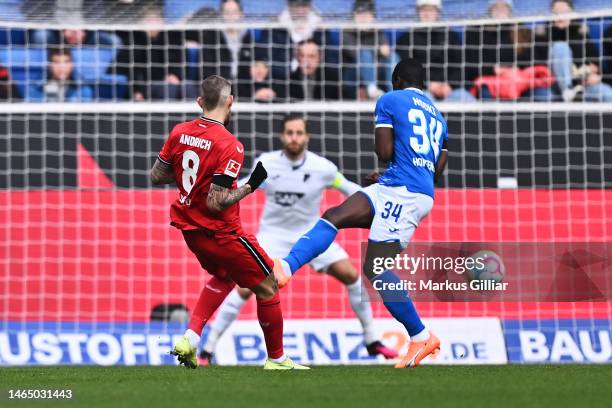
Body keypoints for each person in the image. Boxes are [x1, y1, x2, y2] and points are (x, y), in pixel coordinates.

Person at [271, 59, 447, 368]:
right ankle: (286, 266)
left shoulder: (391, 99)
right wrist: (395, 174)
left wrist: (396, 172)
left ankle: (421, 337)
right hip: (404, 187)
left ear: (397, 79)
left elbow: (384, 151)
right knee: (335, 214)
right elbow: (436, 170)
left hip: (403, 193)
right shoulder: (440, 118)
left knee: (376, 268)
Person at [199, 114, 398, 364]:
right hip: (272, 236)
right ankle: (207, 348)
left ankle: (372, 340)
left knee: (351, 275)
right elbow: (244, 187)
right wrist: (217, 197)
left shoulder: (323, 169)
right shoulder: (267, 163)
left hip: (311, 235)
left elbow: (348, 188)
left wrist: (379, 194)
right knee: (245, 288)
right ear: (282, 136)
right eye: (290, 133)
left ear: (307, 137)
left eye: (299, 133)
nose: (294, 138)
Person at [150, 75, 308, 370]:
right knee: (269, 286)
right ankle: (277, 359)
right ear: (230, 101)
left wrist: (192, 177)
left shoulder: (180, 132)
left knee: (224, 276)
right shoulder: (230, 145)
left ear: (200, 102)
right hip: (222, 232)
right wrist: (252, 185)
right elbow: (215, 201)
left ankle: (190, 339)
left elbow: (157, 175)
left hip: (190, 230)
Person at [465, 0, 552, 101]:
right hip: (491, 84)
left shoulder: (521, 30)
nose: (500, 9)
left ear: (510, 9)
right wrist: (495, 70)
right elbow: (471, 66)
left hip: (519, 83)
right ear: (490, 9)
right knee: (485, 93)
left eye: (504, 6)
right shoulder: (476, 31)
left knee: (543, 94)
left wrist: (516, 70)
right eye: (496, 6)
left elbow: (534, 61)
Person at [396, 0, 475, 102]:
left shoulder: (450, 35)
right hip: (421, 90)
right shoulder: (407, 38)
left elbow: (461, 65)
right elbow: (406, 69)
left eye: (431, 10)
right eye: (424, 10)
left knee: (466, 99)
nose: (427, 14)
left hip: (450, 89)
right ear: (417, 12)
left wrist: (450, 85)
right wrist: (427, 84)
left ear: (438, 12)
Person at [535, 0, 612, 102]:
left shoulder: (581, 35)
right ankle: (567, 89)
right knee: (560, 47)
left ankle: (572, 93)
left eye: (564, 11)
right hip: (554, 86)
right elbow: (537, 66)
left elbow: (596, 64)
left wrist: (596, 75)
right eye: (556, 12)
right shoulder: (542, 36)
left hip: (581, 87)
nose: (560, 15)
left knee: (607, 93)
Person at [114, 5, 185, 100]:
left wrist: (174, 75)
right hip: (146, 86)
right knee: (167, 89)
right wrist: (137, 90)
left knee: (188, 87)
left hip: (171, 82)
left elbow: (179, 62)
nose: (153, 24)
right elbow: (128, 69)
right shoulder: (134, 41)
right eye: (149, 20)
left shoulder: (171, 39)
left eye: (156, 20)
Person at [341, 0, 396, 100]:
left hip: (377, 74)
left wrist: (382, 51)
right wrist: (378, 50)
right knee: (364, 53)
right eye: (359, 14)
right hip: (354, 78)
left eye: (366, 14)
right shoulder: (347, 32)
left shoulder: (377, 31)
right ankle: (371, 90)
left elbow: (386, 51)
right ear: (354, 16)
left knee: (393, 57)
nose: (363, 18)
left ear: (372, 16)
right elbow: (356, 53)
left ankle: (395, 92)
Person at [29, 47, 94, 102]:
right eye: (56, 62)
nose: (62, 67)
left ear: (72, 65)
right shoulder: (36, 88)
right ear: (49, 66)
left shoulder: (83, 89)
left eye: (66, 62)